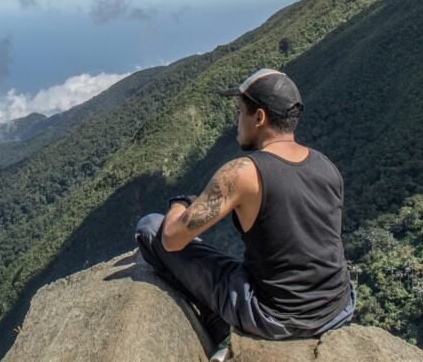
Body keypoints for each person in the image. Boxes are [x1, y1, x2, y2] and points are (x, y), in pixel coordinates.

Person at [134, 68, 356, 360]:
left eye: (240, 112)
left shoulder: (244, 173)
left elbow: (172, 239)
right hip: (338, 307)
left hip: (276, 317)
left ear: (260, 118)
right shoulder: (326, 165)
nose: (236, 121)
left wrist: (181, 203)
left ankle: (220, 328)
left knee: (151, 227)